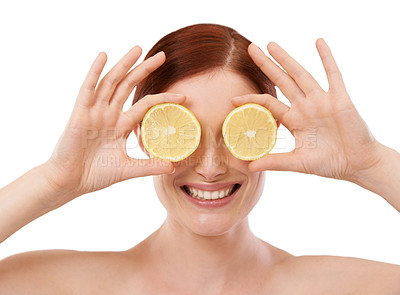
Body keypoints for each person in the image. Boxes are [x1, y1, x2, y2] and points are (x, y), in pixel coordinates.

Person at [0, 23, 399, 294]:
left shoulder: (341, 287)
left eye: (234, 133)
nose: (210, 167)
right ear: (146, 135)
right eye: (182, 135)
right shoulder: (57, 284)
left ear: (268, 133)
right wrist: (54, 180)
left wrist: (372, 164)